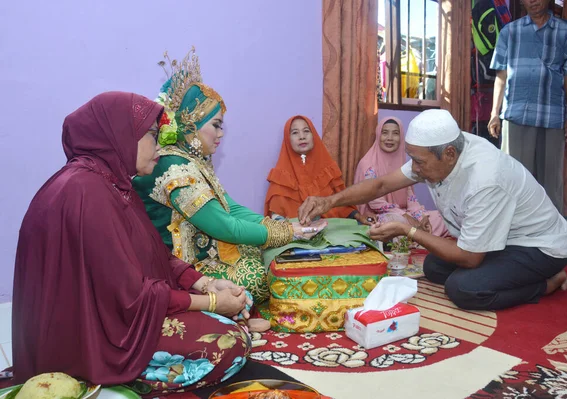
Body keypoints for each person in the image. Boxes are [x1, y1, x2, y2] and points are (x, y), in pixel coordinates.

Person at [12, 92, 253, 395]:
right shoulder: (86, 191)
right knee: (229, 343)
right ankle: (99, 377)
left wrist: (206, 284)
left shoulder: (111, 183)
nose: (160, 145)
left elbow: (155, 255)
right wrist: (214, 303)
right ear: (120, 135)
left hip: (114, 314)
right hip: (90, 338)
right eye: (153, 135)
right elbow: (131, 297)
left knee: (237, 305)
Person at [298, 109, 567, 311]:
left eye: (418, 162)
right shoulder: (438, 150)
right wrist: (329, 201)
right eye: (412, 160)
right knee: (433, 266)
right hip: (500, 241)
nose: (414, 169)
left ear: (450, 155)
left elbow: (469, 258)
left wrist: (409, 230)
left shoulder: (485, 178)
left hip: (538, 246)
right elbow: (380, 184)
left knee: (464, 289)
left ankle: (547, 283)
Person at [133, 52, 323, 306]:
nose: (221, 134)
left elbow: (229, 207)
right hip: (182, 268)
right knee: (258, 275)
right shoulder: (174, 168)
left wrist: (284, 226)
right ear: (191, 124)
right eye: (216, 125)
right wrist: (288, 233)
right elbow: (225, 227)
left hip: (206, 252)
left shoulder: (193, 160)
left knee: (262, 253)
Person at [488, 0, 567, 213]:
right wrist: (494, 113)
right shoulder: (510, 31)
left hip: (551, 114)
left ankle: (550, 234)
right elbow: (501, 74)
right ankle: (512, 232)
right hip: (517, 114)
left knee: (551, 182)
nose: (532, 1)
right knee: (513, 178)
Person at [264, 115, 371, 224]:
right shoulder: (281, 177)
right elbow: (276, 215)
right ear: (287, 139)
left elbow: (341, 205)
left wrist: (358, 216)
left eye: (306, 131)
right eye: (295, 133)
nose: (302, 136)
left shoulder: (328, 170)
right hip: (296, 235)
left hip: (331, 231)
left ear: (313, 135)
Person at [354, 117, 448, 236]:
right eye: (385, 133)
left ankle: (418, 236)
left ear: (401, 137)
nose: (390, 138)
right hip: (377, 216)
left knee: (442, 217)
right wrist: (405, 216)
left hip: (402, 212)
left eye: (395, 133)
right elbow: (375, 202)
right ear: (378, 135)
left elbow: (410, 199)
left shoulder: (402, 164)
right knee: (395, 222)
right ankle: (419, 236)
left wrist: (422, 217)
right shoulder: (368, 164)